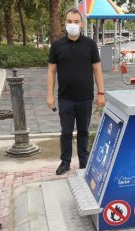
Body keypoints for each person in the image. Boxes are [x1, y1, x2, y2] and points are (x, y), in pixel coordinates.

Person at [47, 7, 106, 176]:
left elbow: (97, 70)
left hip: (85, 98)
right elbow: (51, 71)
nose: (73, 25)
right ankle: (65, 162)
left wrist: (101, 93)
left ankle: (83, 162)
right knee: (65, 132)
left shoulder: (90, 44)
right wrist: (50, 95)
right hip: (65, 98)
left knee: (83, 132)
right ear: (65, 23)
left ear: (81, 24)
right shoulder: (57, 46)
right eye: (69, 21)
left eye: (76, 22)